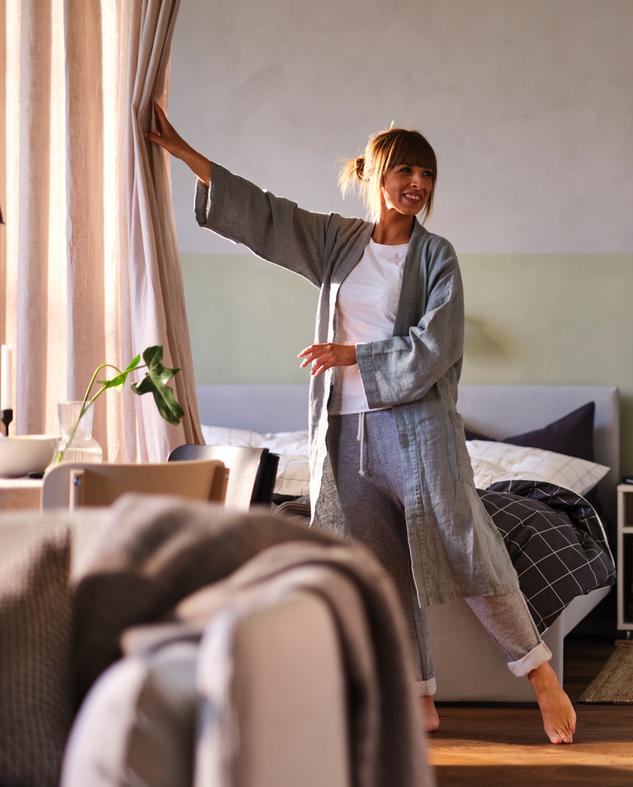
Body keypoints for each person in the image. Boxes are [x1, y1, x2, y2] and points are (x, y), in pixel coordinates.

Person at [146, 105, 577, 744]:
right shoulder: (339, 241)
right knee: (375, 568)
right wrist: (187, 156)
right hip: (343, 432)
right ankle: (416, 698)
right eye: (406, 169)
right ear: (377, 173)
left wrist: (354, 356)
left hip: (419, 433)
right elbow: (268, 215)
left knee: (467, 547)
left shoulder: (437, 257)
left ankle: (539, 676)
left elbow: (439, 346)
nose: (418, 183)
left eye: (427, 173)